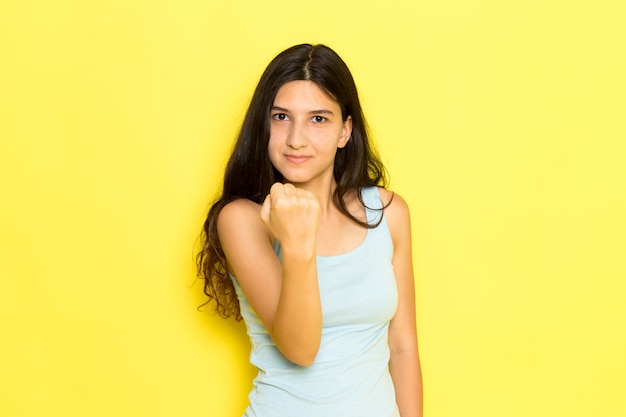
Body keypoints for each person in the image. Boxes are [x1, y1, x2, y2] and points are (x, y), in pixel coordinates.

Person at [197, 43, 423, 417]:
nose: (296, 139)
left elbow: (402, 346)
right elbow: (300, 348)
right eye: (281, 117)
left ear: (344, 131)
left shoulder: (388, 212)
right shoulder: (243, 219)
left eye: (318, 119)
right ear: (263, 124)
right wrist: (299, 243)